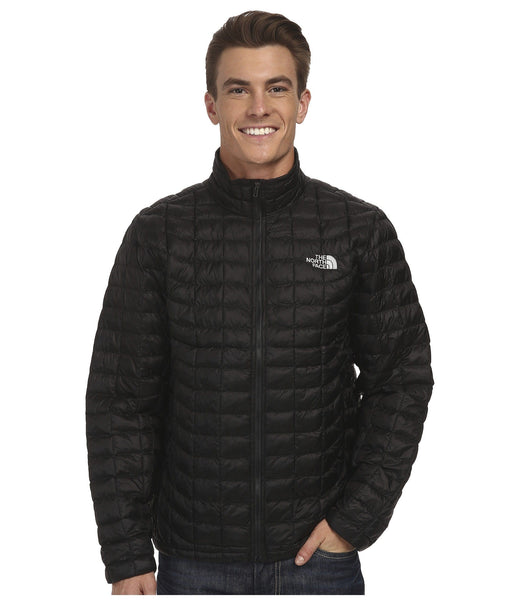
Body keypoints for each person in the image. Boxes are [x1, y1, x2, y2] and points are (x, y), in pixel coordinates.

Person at [86, 10, 434, 595]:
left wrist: (354, 520)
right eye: (237, 89)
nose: (257, 108)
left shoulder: (358, 230)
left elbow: (402, 377)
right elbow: (121, 402)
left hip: (317, 563)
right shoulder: (159, 234)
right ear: (211, 105)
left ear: (302, 103)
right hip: (191, 564)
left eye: (276, 88)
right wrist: (125, 555)